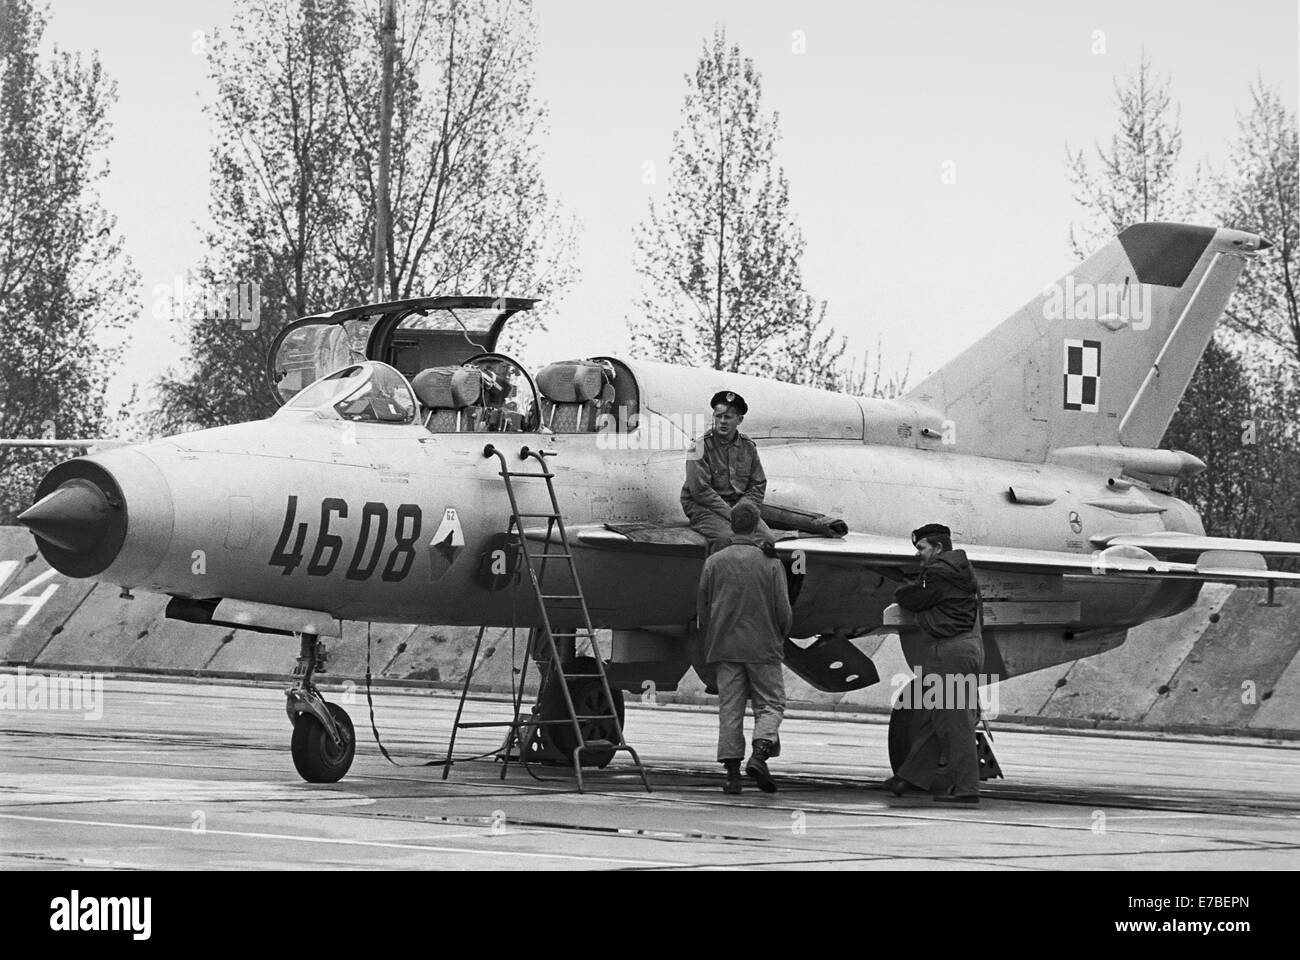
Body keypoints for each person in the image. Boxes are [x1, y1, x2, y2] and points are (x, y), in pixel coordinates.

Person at [885, 523, 985, 805]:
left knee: (954, 723)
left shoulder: (938, 571)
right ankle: (910, 778)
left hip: (949, 652)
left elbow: (912, 598)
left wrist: (906, 587)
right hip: (967, 648)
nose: (919, 555)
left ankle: (967, 789)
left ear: (938, 547)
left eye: (922, 548)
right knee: (936, 718)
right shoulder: (964, 569)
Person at [696, 500, 792, 795]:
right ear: (755, 526)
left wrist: (709, 639)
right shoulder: (772, 564)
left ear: (732, 525)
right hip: (763, 648)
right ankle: (759, 754)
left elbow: (703, 607)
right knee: (771, 704)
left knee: (730, 709)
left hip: (724, 647)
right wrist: (781, 635)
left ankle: (733, 776)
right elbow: (783, 611)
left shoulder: (714, 562)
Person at [681, 390, 774, 554]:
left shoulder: (748, 447)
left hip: (738, 507)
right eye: (718, 416)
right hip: (704, 508)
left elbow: (758, 485)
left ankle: (753, 577)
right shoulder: (699, 447)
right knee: (726, 539)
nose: (722, 421)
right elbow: (701, 491)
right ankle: (718, 578)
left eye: (728, 417)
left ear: (739, 420)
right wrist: (733, 515)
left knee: (766, 538)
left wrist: (743, 510)